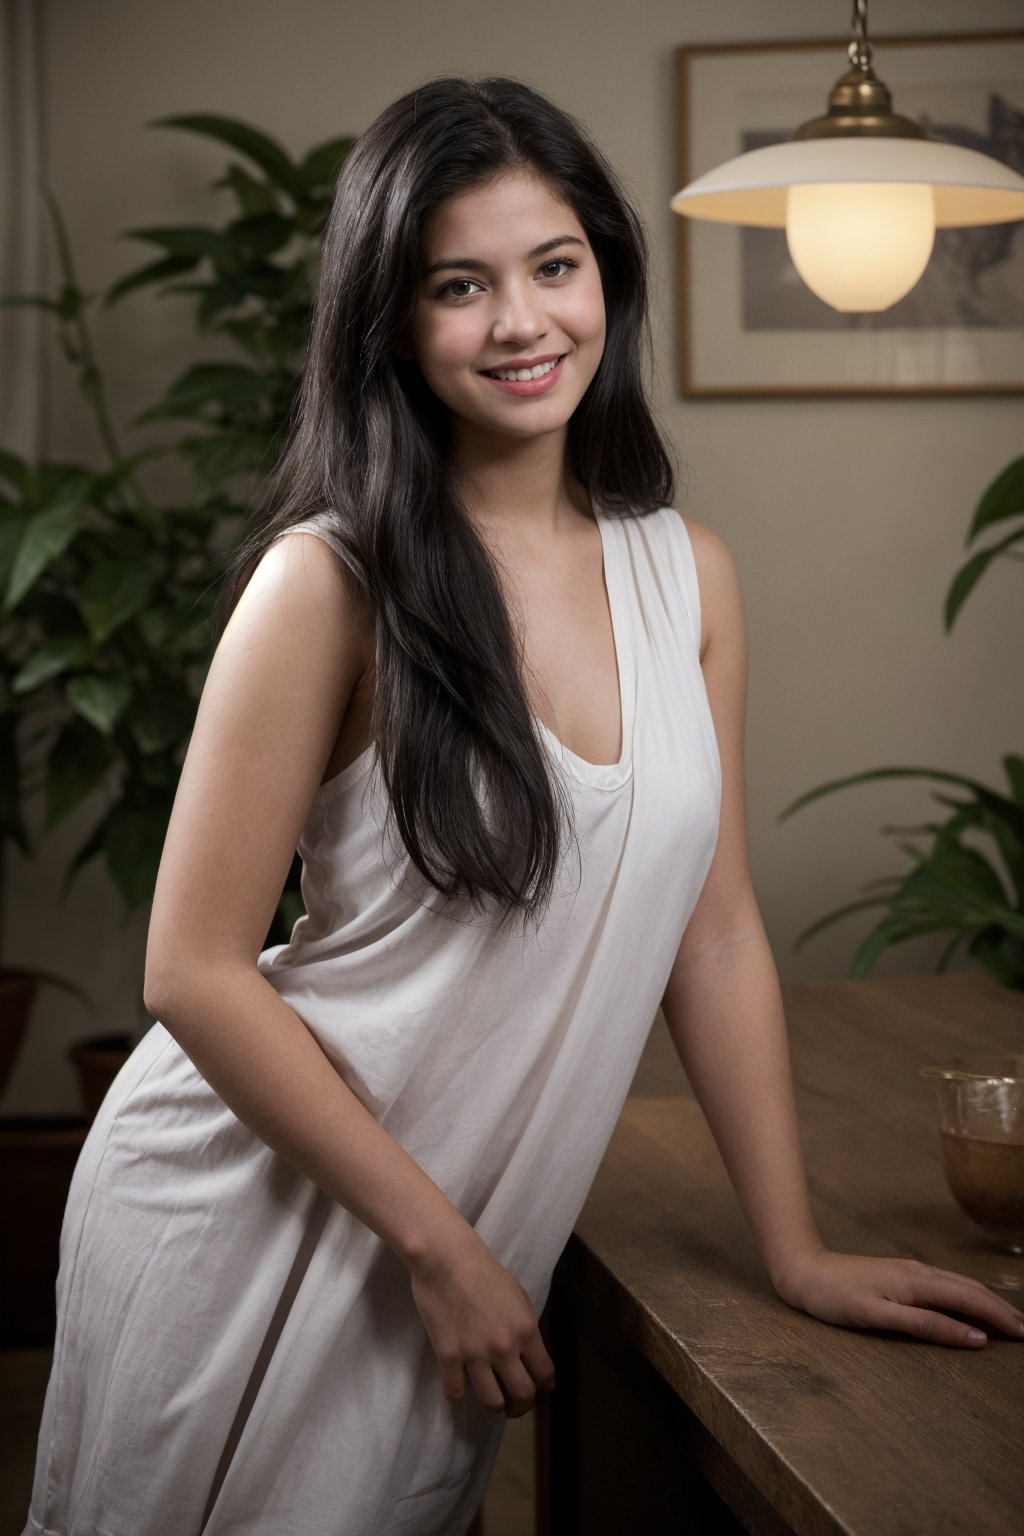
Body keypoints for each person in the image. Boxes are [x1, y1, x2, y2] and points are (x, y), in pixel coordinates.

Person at [23, 74, 1024, 1536]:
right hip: (250, 1214)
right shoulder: (328, 581)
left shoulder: (690, 574)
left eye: (555, 267)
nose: (522, 321)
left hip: (466, 1240)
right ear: (391, 319)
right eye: (458, 285)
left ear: (605, 274)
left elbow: (720, 934)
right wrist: (437, 1245)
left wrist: (794, 1247)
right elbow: (191, 968)